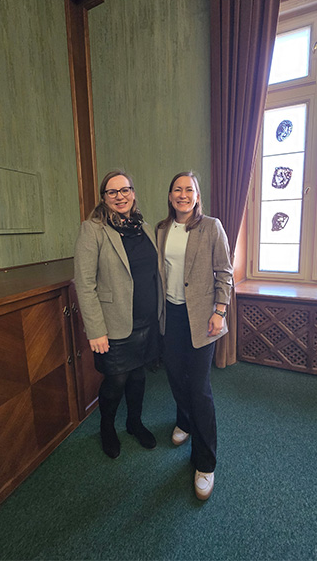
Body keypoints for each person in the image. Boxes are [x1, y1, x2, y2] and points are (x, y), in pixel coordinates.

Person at [156, 171, 233, 500]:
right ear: (170, 196)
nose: (183, 194)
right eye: (177, 189)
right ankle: (184, 421)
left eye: (189, 190)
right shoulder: (161, 229)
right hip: (171, 315)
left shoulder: (211, 227)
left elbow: (225, 272)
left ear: (197, 197)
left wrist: (220, 311)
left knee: (199, 388)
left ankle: (205, 462)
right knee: (175, 376)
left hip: (202, 317)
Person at [74, 170, 158, 459]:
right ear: (104, 197)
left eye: (125, 190)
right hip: (114, 323)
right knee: (116, 380)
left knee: (138, 376)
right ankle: (106, 428)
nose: (120, 196)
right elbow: (84, 283)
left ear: (133, 193)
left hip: (147, 320)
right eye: (112, 192)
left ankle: (134, 423)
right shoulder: (93, 229)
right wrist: (95, 330)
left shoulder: (145, 228)